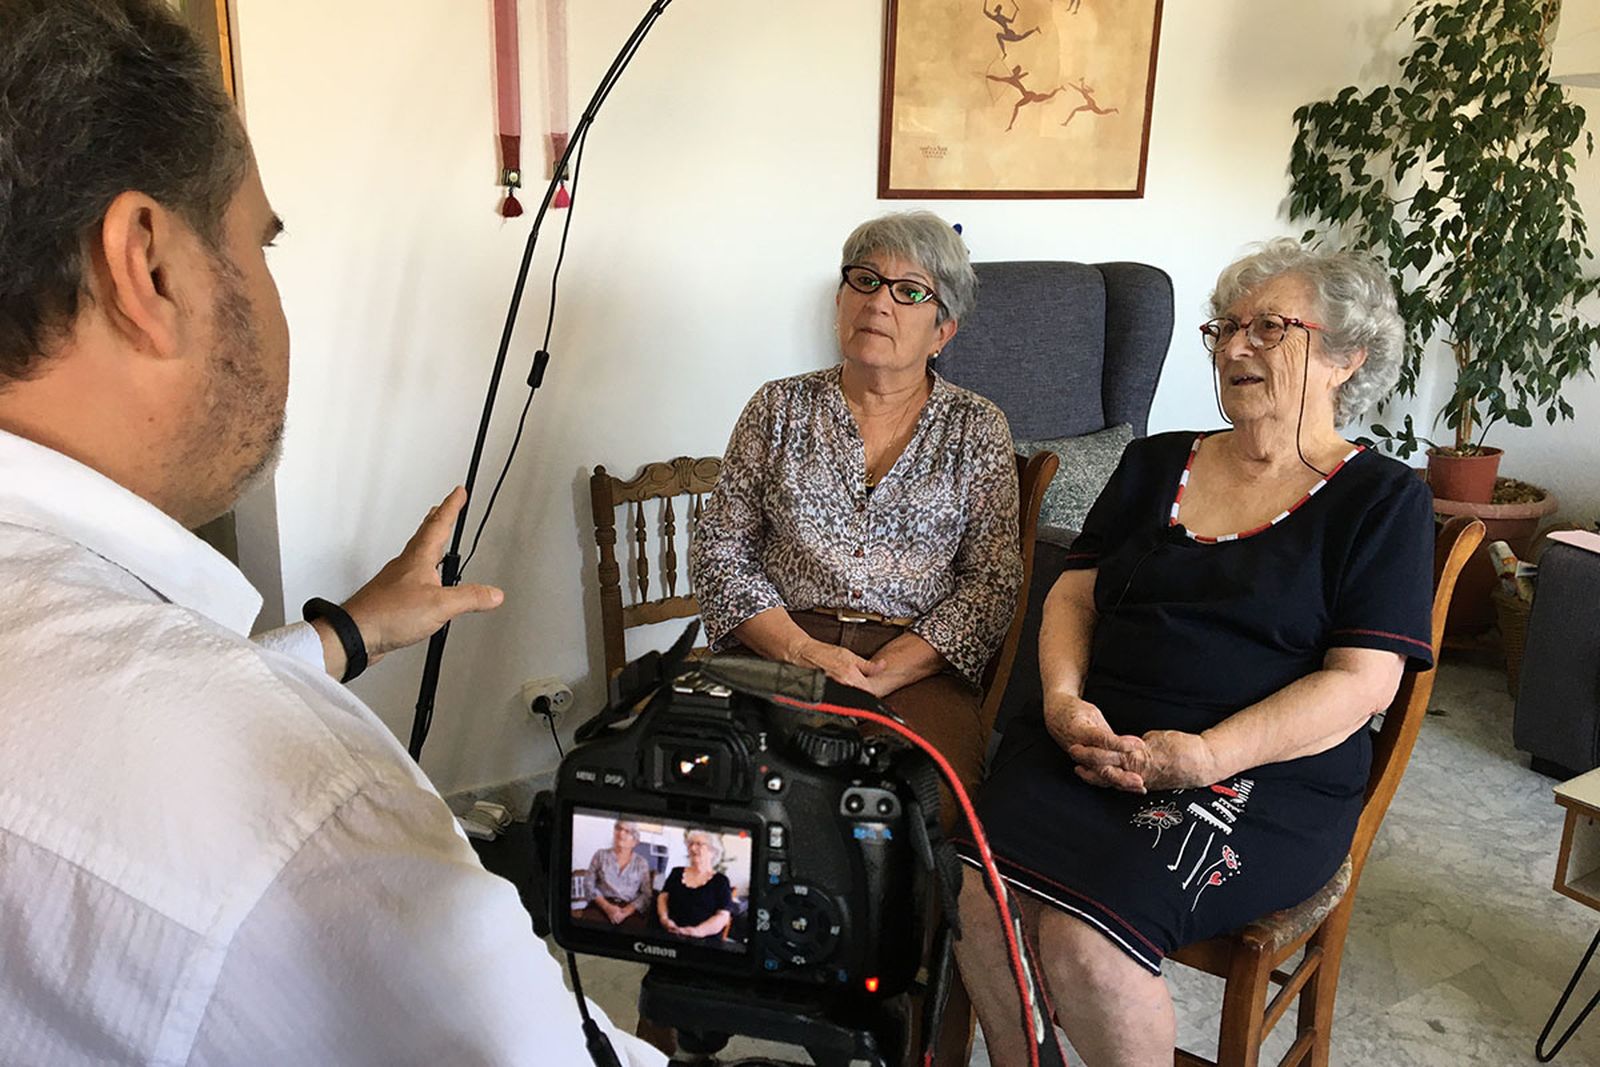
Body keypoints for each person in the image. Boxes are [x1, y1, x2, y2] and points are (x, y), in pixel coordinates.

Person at [0, 3, 661, 1064]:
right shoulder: (301, 807)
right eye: (260, 242)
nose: (269, 288)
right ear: (150, 267)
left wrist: (350, 634)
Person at [953, 239, 1435, 1066]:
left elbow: (1362, 684)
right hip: (1096, 738)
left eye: (1270, 328)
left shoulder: (1382, 499)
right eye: (1227, 328)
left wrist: (1207, 754)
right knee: (978, 890)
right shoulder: (1154, 461)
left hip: (1261, 774)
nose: (1237, 346)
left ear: (1345, 358)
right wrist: (1064, 699)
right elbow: (1073, 593)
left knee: (1083, 939)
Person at [690, 209, 1022, 813]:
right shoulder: (778, 408)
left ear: (942, 331)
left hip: (914, 659)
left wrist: (893, 668)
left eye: (909, 291)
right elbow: (720, 549)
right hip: (782, 642)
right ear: (841, 300)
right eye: (864, 280)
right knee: (732, 786)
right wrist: (801, 651)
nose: (879, 303)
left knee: (922, 805)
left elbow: (992, 582)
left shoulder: (977, 427)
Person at [655, 830, 734, 941]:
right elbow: (662, 898)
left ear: (712, 851)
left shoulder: (720, 881)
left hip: (703, 941)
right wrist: (664, 919)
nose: (692, 848)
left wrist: (697, 931)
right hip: (670, 934)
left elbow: (722, 916)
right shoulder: (676, 873)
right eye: (690, 844)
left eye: (698, 844)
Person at [581, 821, 655, 929]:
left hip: (629, 907)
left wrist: (627, 911)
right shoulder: (600, 855)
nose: (621, 833)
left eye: (627, 831)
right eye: (618, 828)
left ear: (635, 842)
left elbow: (646, 894)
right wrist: (607, 907)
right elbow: (588, 883)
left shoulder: (641, 863)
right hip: (601, 904)